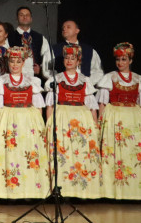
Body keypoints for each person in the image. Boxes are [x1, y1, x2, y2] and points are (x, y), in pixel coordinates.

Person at [96, 42, 141, 200]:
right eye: (118, 59)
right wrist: (100, 122)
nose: (120, 63)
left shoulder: (139, 79)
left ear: (130, 60)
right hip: (114, 117)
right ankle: (113, 191)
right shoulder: (109, 78)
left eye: (124, 59)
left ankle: (135, 191)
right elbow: (102, 103)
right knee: (115, 153)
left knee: (133, 152)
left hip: (133, 118)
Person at [44, 45, 102, 199]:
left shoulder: (85, 80)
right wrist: (49, 124)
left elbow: (92, 107)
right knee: (64, 154)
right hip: (62, 118)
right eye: (67, 58)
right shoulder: (56, 79)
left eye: (73, 58)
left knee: (81, 153)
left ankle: (83, 191)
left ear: (78, 61)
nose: (69, 61)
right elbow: (50, 106)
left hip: (81, 120)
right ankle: (65, 191)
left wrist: (95, 126)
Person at [0, 47, 48, 199]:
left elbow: (38, 106)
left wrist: (38, 126)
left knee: (28, 153)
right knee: (11, 155)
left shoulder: (32, 82)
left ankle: (30, 190)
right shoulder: (1, 82)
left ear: (23, 62)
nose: (15, 64)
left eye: (18, 61)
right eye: (12, 61)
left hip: (28, 122)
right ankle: (9, 192)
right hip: (9, 120)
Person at [14, 6, 53, 79]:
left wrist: (41, 70)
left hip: (35, 79)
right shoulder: (9, 37)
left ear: (31, 19)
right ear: (17, 18)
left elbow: (48, 58)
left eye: (27, 15)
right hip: (16, 78)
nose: (25, 17)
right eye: (21, 15)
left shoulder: (40, 37)